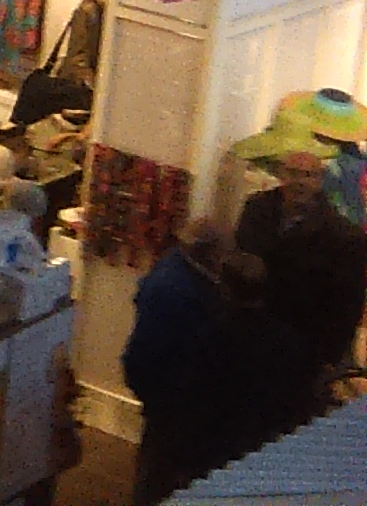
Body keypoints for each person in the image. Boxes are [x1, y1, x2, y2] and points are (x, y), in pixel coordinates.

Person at [177, 251, 319, 483]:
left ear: (225, 287)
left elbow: (192, 391)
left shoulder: (212, 334)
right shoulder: (286, 340)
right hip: (263, 446)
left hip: (213, 446)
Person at [233, 150, 367, 376]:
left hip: (301, 345)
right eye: (294, 173)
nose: (300, 182)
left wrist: (329, 357)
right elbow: (238, 259)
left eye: (308, 175)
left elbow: (347, 304)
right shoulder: (256, 210)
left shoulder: (343, 236)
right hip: (246, 333)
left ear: (319, 179)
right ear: (281, 174)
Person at [123, 221, 226, 506]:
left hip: (169, 397)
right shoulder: (178, 290)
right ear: (211, 253)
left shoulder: (172, 272)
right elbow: (146, 353)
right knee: (159, 476)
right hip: (174, 398)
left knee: (156, 470)